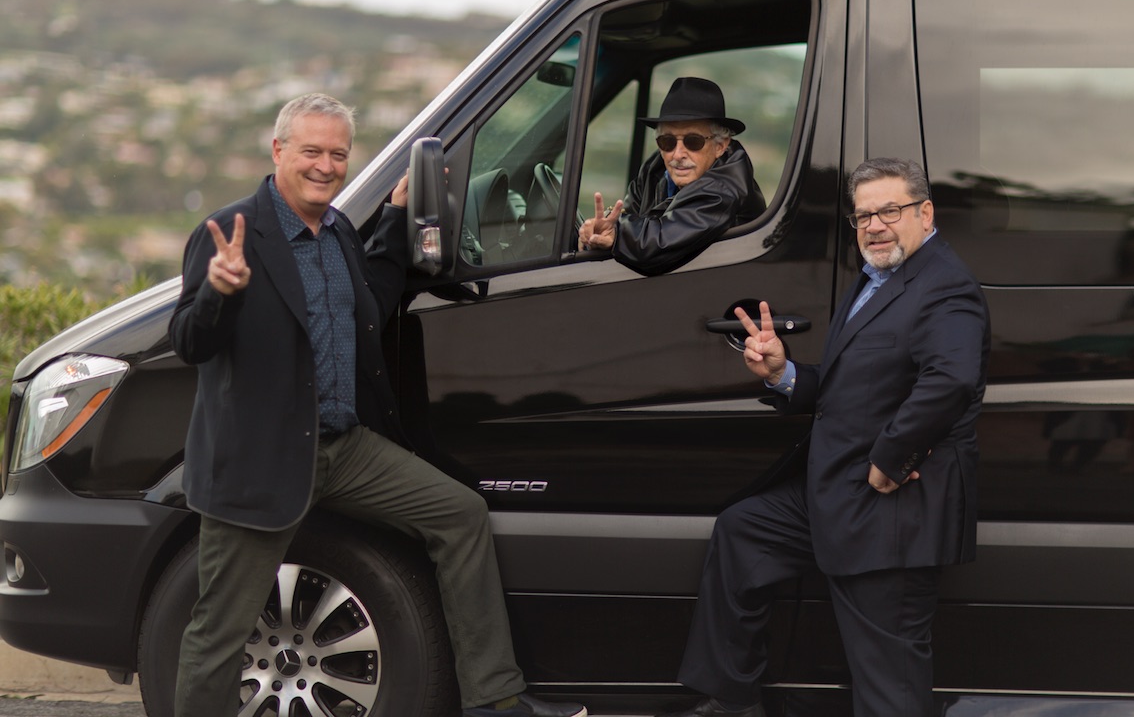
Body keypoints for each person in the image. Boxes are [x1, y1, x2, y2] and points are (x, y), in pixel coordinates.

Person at [169, 93, 585, 717]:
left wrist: (394, 221)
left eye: (338, 154)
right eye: (311, 151)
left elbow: (370, 301)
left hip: (344, 447)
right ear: (278, 151)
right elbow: (189, 342)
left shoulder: (337, 231)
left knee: (460, 513)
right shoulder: (234, 234)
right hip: (262, 463)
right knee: (219, 629)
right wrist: (220, 293)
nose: (325, 165)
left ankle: (495, 702)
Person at [659, 158, 990, 717]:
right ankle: (733, 700)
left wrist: (892, 456)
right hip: (837, 492)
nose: (875, 226)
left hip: (891, 504)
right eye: (863, 217)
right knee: (745, 531)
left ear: (925, 212)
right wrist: (784, 374)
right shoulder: (878, 277)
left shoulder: (944, 285)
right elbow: (854, 389)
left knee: (889, 680)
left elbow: (952, 378)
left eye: (890, 211)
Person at [578, 77, 765, 276]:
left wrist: (616, 235)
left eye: (693, 141)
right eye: (667, 141)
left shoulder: (723, 190)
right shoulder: (655, 170)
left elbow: (662, 238)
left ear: (720, 146)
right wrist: (599, 229)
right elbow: (626, 214)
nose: (677, 154)